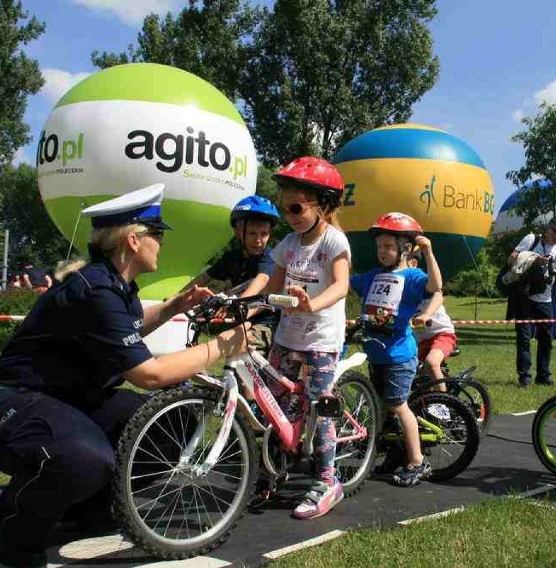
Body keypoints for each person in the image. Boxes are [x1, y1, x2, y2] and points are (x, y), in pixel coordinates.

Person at [0, 184, 250, 567]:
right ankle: (15, 527)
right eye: (158, 235)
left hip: (72, 398)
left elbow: (125, 330)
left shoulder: (116, 285)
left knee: (176, 421)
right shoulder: (96, 290)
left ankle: (84, 508)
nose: (162, 243)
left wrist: (172, 307)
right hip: (12, 402)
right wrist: (221, 347)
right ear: (133, 240)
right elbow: (149, 375)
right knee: (85, 459)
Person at [263, 157, 351, 519]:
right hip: (287, 336)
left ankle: (328, 479)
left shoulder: (333, 240)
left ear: (323, 205)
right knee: (274, 402)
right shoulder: (288, 243)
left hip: (320, 340)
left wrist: (312, 303)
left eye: (297, 207)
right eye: (285, 209)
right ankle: (275, 468)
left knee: (321, 408)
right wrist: (234, 302)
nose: (290, 215)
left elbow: (342, 285)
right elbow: (269, 286)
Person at [350, 212, 444, 488]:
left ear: (406, 248)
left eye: (389, 246)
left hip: (399, 356)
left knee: (398, 406)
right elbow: (344, 282)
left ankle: (417, 460)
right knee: (381, 406)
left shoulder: (412, 276)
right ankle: (391, 453)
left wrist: (428, 252)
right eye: (380, 246)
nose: (382, 251)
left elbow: (436, 287)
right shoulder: (373, 276)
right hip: (376, 354)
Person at [507, 217, 556, 387]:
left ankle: (543, 376)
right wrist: (534, 259)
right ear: (547, 229)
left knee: (546, 339)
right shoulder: (531, 239)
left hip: (545, 300)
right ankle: (525, 377)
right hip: (524, 297)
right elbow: (511, 259)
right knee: (524, 339)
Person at [182, 194, 280, 298]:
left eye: (264, 234)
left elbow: (262, 279)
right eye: (252, 233)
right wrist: (176, 299)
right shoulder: (232, 257)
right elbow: (204, 278)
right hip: (238, 309)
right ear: (238, 233)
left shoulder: (271, 258)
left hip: (265, 311)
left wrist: (238, 304)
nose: (258, 240)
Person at [407, 254, 456, 393]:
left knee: (431, 363)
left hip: (442, 334)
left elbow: (438, 294)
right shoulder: (402, 288)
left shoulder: (422, 281)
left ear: (413, 263)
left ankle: (443, 402)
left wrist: (427, 314)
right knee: (420, 375)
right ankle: (427, 402)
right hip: (421, 340)